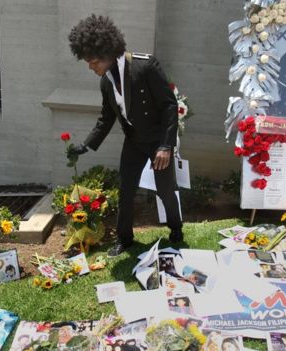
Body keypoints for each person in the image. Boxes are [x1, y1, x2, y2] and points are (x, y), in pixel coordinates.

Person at [68, 15, 183, 257]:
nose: (90, 66)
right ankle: (125, 239)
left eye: (94, 61)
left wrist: (165, 146)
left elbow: (169, 106)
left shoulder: (145, 66)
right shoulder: (106, 82)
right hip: (133, 141)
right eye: (88, 61)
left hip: (157, 142)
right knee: (125, 190)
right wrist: (85, 145)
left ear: (108, 52)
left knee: (164, 191)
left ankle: (176, 229)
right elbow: (106, 118)